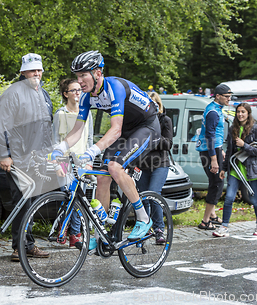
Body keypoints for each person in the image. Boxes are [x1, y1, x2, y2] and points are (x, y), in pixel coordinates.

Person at [50, 50, 161, 250]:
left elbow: (116, 129)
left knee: (115, 167)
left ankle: (144, 219)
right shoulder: (86, 97)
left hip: (147, 126)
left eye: (84, 75)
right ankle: (102, 234)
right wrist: (60, 148)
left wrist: (91, 151)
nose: (80, 81)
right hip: (126, 131)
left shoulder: (115, 87)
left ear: (98, 73)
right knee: (102, 176)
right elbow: (77, 130)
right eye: (77, 76)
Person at [0, 53, 52, 261]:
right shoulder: (13, 93)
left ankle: (28, 244)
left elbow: (47, 127)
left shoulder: (44, 94)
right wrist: (4, 154)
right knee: (22, 203)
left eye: (39, 70)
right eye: (32, 70)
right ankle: (19, 247)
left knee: (33, 203)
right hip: (18, 158)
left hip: (38, 159)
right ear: (22, 72)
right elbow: (0, 126)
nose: (36, 73)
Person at [213, 103, 257, 237]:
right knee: (229, 198)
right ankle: (224, 227)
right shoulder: (233, 129)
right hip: (235, 168)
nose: (240, 114)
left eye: (243, 112)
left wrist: (244, 145)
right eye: (238, 112)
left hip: (252, 169)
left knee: (254, 199)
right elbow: (229, 150)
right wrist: (224, 168)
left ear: (248, 113)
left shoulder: (255, 129)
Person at [53, 78, 93, 247]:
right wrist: (58, 163)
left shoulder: (87, 113)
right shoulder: (60, 114)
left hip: (82, 162)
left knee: (79, 200)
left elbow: (90, 139)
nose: (78, 93)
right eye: (74, 90)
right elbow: (55, 140)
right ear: (65, 94)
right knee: (67, 197)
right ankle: (63, 227)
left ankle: (75, 234)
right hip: (66, 160)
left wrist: (90, 161)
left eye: (80, 90)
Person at [136, 92, 173, 244]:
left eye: (155, 103)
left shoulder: (165, 120)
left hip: (160, 164)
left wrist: (153, 138)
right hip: (142, 164)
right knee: (142, 197)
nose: (152, 105)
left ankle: (159, 230)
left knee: (153, 195)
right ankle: (143, 229)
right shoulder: (140, 122)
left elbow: (168, 144)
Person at [195, 83, 231, 230]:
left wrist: (220, 149)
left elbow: (216, 134)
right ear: (218, 96)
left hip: (213, 149)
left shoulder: (215, 108)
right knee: (217, 184)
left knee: (214, 182)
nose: (229, 99)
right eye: (227, 97)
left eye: (230, 96)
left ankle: (212, 215)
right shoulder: (213, 112)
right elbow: (210, 136)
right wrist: (214, 159)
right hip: (209, 151)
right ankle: (205, 221)